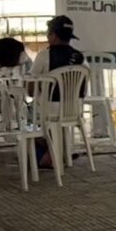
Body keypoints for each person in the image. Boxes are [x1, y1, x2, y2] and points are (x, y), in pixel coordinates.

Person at [30, 15, 85, 166]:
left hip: (50, 110)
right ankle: (58, 150)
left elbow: (30, 90)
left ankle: (49, 153)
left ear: (53, 36)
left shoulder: (44, 55)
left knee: (28, 112)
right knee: (54, 120)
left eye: (48, 34)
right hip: (75, 109)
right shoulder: (81, 57)